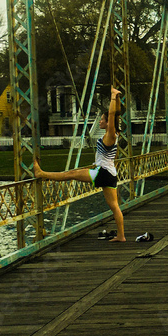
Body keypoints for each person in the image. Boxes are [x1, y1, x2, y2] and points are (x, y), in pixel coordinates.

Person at [33, 87, 126, 242]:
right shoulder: (113, 134)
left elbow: (112, 115)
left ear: (107, 122)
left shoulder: (110, 135)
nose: (100, 121)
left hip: (103, 173)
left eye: (102, 119)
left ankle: (41, 174)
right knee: (115, 206)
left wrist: (112, 97)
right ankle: (121, 236)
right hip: (110, 174)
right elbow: (115, 115)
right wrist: (116, 99)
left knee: (71, 174)